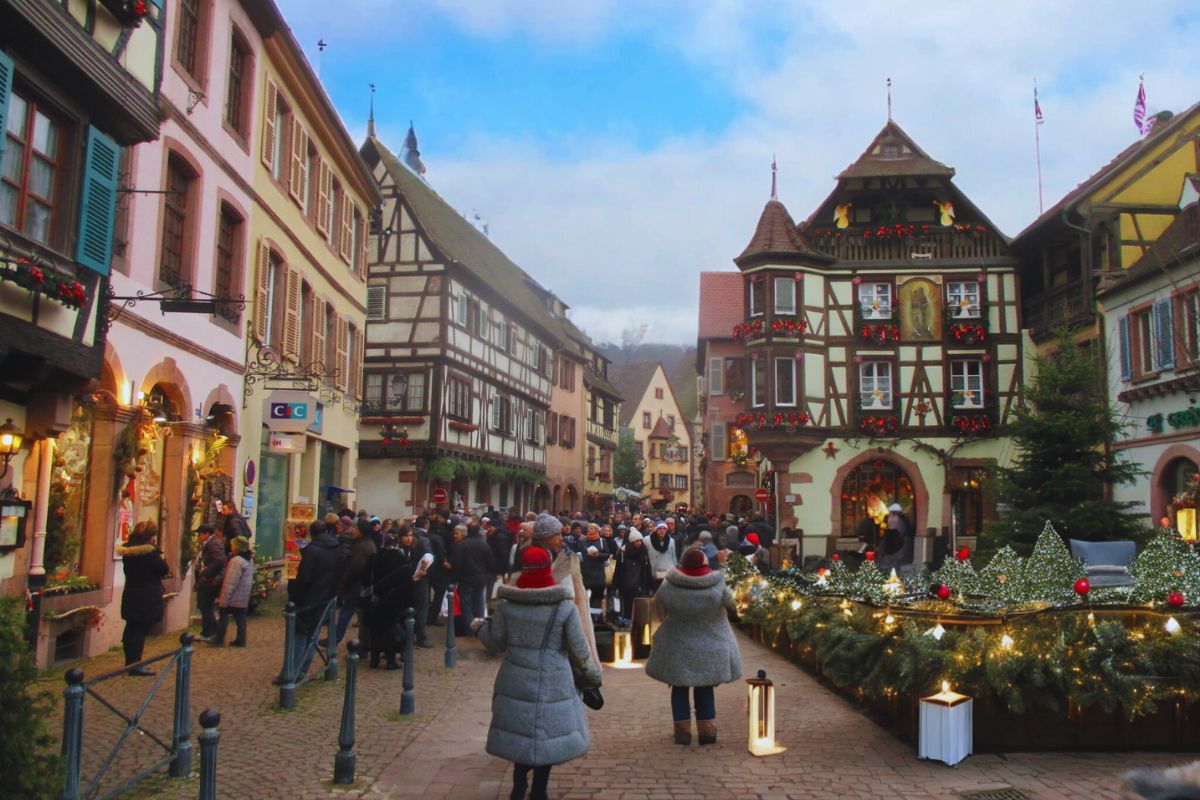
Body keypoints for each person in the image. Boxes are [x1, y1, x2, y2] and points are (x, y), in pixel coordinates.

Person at [476, 546, 601, 800]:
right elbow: (579, 649)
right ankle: (539, 790)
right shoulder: (563, 607)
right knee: (547, 736)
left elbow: (495, 642)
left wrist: (478, 628)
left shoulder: (507, 606)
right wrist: (591, 676)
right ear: (548, 569)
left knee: (522, 734)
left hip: (515, 677)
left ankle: (518, 786)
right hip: (553, 677)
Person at [645, 548, 742, 745]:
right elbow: (733, 604)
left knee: (679, 688)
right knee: (705, 687)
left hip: (677, 645)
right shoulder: (717, 584)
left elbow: (658, 611)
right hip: (712, 644)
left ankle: (682, 732)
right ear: (705, 565)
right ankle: (707, 731)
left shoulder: (669, 585)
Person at [279, 520, 344, 685]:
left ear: (311, 533)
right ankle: (302, 670)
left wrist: (294, 597)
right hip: (326, 599)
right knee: (313, 635)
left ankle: (291, 674)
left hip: (309, 599)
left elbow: (304, 578)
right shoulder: (337, 548)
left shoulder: (311, 551)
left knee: (300, 635)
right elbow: (340, 574)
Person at [118, 521, 170, 675]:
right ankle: (135, 664)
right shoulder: (149, 552)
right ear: (151, 536)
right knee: (139, 630)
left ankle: (130, 662)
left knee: (131, 627)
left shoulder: (129, 550)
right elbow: (163, 569)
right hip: (146, 594)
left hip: (131, 591)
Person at [363, 529, 415, 669]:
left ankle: (374, 659)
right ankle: (390, 660)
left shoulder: (375, 557)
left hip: (376, 598)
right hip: (394, 599)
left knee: (376, 629)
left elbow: (366, 578)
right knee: (390, 630)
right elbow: (407, 583)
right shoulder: (401, 559)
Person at [334, 518, 378, 644]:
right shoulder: (364, 543)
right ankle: (362, 642)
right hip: (360, 586)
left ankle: (336, 638)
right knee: (356, 612)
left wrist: (343, 584)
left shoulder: (363, 546)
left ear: (361, 531)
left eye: (356, 529)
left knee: (347, 612)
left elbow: (354, 568)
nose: (353, 531)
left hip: (357, 586)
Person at [210, 535, 253, 647]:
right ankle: (241, 639)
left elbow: (230, 582)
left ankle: (219, 639)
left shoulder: (236, 561)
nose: (231, 547)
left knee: (223, 614)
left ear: (237, 547)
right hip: (242, 595)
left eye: (233, 545)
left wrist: (224, 598)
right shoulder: (248, 559)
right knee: (240, 618)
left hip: (234, 595)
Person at [452, 521, 494, 631]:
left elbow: (457, 563)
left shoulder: (462, 544)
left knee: (466, 606)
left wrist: (455, 577)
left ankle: (470, 629)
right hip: (480, 579)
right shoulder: (485, 545)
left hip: (466, 579)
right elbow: (490, 563)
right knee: (479, 603)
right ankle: (480, 629)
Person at [193, 524, 225, 640]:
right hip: (206, 580)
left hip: (209, 581)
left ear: (206, 534)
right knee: (204, 606)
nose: (198, 537)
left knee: (205, 605)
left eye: (200, 534)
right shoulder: (210, 543)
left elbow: (219, 561)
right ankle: (209, 631)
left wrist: (206, 572)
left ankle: (210, 631)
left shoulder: (214, 544)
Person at [614, 529, 653, 625]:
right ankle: (627, 620)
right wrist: (616, 585)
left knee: (639, 605)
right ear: (631, 541)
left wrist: (649, 583)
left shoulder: (643, 553)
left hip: (639, 584)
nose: (639, 543)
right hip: (626, 584)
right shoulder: (623, 553)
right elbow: (618, 570)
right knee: (627, 604)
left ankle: (637, 622)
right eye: (637, 541)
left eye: (640, 540)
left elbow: (647, 569)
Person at [647, 521, 677, 587]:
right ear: (656, 530)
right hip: (653, 570)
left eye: (664, 529)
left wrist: (674, 569)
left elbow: (673, 556)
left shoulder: (671, 541)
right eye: (660, 528)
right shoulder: (647, 540)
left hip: (667, 571)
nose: (662, 531)